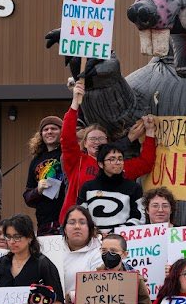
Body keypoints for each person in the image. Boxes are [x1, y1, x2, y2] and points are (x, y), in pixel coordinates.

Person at [59, 79, 156, 222]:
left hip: (111, 228)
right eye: (92, 139)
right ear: (84, 143)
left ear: (108, 143)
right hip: (76, 224)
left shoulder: (118, 166)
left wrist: (150, 133)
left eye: (101, 139)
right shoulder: (77, 161)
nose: (97, 142)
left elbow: (146, 163)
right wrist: (75, 103)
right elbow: (66, 138)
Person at [55, 206, 104, 304]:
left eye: (82, 222)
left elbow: (98, 285)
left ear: (90, 228)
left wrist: (71, 297)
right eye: (72, 222)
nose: (77, 226)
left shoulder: (99, 250)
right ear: (65, 228)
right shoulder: (53, 248)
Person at [76, 142, 149, 234]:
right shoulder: (88, 187)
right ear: (101, 164)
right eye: (112, 159)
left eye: (120, 159)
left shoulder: (134, 188)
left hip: (123, 240)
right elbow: (79, 214)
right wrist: (94, 232)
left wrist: (115, 233)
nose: (117, 162)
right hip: (93, 238)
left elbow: (139, 218)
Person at [24, 115, 66, 235]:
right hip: (44, 222)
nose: (49, 132)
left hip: (67, 219)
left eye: (54, 128)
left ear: (62, 132)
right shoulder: (36, 160)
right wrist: (38, 190)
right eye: (45, 129)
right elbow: (27, 197)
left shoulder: (68, 154)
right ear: (41, 134)